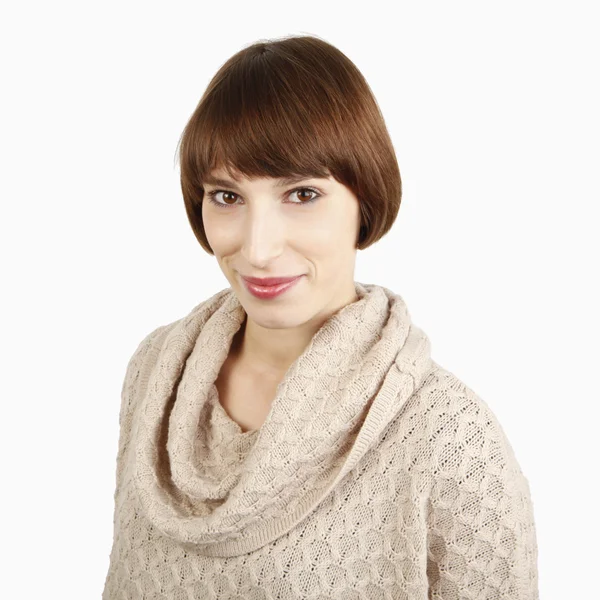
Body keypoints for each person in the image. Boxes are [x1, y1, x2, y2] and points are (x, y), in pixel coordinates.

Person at [103, 34, 539, 599]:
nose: (258, 249)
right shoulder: (158, 373)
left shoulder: (449, 437)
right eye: (227, 197)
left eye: (302, 195)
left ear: (366, 200)